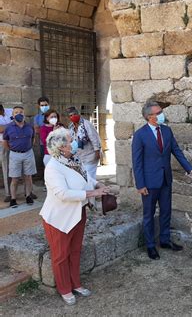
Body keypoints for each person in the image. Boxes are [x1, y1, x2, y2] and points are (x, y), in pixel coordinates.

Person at [40, 127, 110, 305]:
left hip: (78, 213)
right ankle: (64, 289)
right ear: (62, 146)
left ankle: (75, 283)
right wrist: (93, 194)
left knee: (75, 251)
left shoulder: (74, 160)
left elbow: (84, 179)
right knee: (60, 255)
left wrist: (96, 184)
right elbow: (63, 193)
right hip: (59, 218)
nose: (74, 141)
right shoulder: (53, 167)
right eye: (71, 140)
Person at [132, 100, 192, 260]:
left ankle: (164, 240)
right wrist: (140, 184)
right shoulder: (140, 135)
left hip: (165, 179)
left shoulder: (167, 131)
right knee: (148, 214)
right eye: (159, 113)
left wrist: (189, 168)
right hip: (149, 182)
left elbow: (176, 151)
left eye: (161, 112)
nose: (162, 115)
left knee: (166, 211)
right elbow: (137, 162)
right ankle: (150, 246)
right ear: (150, 117)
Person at [3, 106, 36, 208]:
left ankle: (28, 196)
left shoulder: (30, 126)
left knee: (28, 177)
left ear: (24, 114)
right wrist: (13, 150)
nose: (19, 114)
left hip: (28, 153)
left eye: (21, 112)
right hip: (15, 154)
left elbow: (33, 138)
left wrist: (28, 147)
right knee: (15, 178)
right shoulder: (8, 127)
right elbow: (5, 142)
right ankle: (13, 199)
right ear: (12, 115)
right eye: (16, 112)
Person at [66, 107, 101, 181]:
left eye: (75, 114)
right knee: (83, 178)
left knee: (89, 178)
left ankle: (93, 191)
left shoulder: (86, 124)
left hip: (90, 155)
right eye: (71, 115)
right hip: (80, 157)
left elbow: (94, 138)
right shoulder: (71, 127)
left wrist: (97, 152)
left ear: (78, 114)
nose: (73, 116)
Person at [0, 104, 13, 202]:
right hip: (2, 144)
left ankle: (28, 191)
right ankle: (8, 193)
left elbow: (21, 121)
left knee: (19, 165)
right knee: (5, 168)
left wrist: (5, 127)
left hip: (15, 142)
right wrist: (12, 124)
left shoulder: (11, 111)